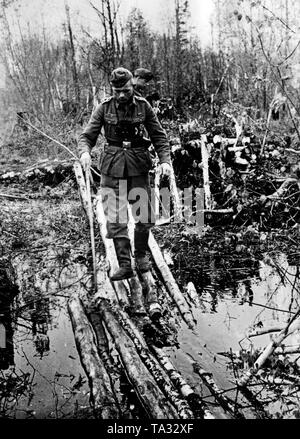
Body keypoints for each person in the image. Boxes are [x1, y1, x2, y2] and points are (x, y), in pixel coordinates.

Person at [78, 67, 172, 281]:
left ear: (133, 86)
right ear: (112, 89)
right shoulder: (104, 108)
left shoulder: (144, 106)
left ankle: (140, 256)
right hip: (112, 168)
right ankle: (124, 264)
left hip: (138, 167)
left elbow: (159, 136)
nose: (121, 95)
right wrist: (85, 152)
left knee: (145, 218)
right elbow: (87, 136)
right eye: (117, 90)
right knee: (115, 219)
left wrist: (165, 161)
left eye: (126, 90)